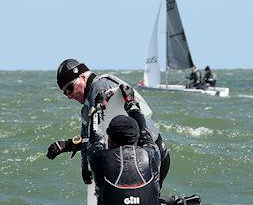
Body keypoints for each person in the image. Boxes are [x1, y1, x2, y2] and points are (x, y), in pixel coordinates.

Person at [46, 59, 170, 187]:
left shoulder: (102, 90)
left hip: (149, 156)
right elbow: (89, 136)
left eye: (69, 89)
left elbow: (102, 139)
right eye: (65, 93)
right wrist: (85, 165)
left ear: (82, 77)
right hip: (136, 158)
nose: (69, 96)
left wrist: (67, 145)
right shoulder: (87, 106)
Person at [86, 83, 164, 205]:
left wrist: (98, 107)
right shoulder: (152, 154)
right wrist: (132, 104)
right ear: (137, 139)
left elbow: (95, 135)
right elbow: (145, 132)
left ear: (110, 140)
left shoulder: (100, 158)